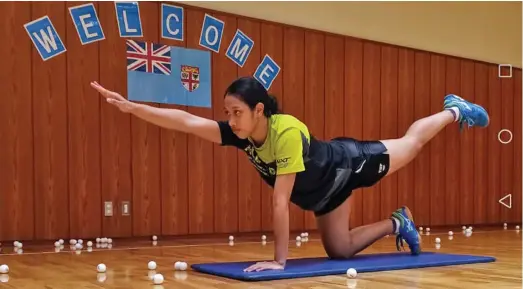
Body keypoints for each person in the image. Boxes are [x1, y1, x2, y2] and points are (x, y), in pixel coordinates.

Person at [90, 76, 489, 272]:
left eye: (237, 112)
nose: (230, 120)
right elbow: (185, 121)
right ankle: (396, 222)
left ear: (259, 110)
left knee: (411, 144)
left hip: (349, 165)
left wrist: (280, 262)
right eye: (228, 113)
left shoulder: (286, 133)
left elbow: (280, 201)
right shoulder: (242, 134)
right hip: (323, 195)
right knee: (340, 252)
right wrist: (132, 107)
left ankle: (453, 109)